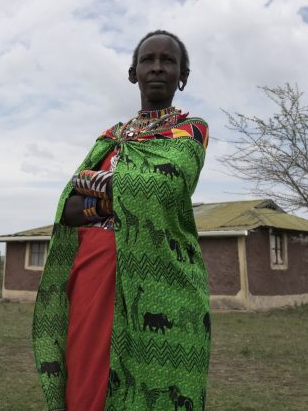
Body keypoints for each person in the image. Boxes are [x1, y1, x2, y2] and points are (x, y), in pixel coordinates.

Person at [33, 30, 211, 411]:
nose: (157, 67)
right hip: (92, 273)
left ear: (183, 76)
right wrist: (124, 194)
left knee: (155, 385)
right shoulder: (108, 139)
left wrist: (96, 191)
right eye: (148, 60)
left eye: (168, 61)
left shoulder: (190, 132)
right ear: (134, 74)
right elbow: (68, 207)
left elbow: (165, 188)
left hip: (159, 277)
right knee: (86, 379)